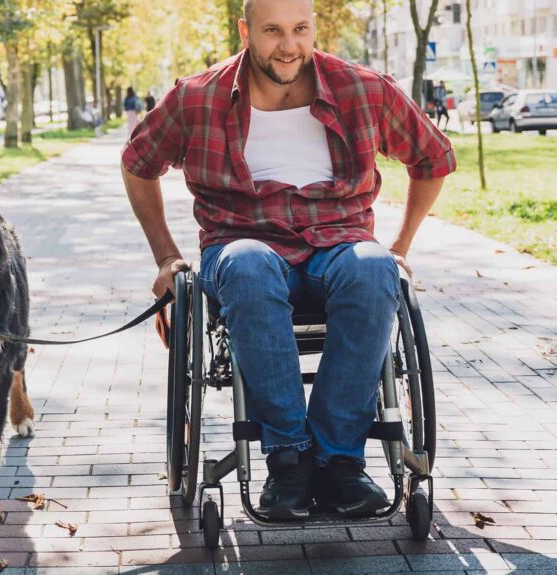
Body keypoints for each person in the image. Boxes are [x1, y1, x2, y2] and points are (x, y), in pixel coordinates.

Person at [121, 0, 454, 520]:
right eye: (272, 31)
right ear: (245, 30)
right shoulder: (196, 97)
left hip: (338, 243)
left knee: (374, 268)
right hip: (243, 242)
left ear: (314, 28)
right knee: (250, 266)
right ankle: (289, 458)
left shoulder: (364, 89)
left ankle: (340, 462)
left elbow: (433, 157)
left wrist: (401, 248)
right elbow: (137, 163)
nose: (288, 45)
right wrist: (166, 256)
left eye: (300, 29)